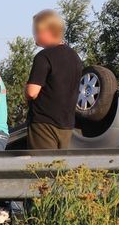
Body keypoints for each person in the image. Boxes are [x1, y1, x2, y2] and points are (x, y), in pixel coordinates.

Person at [25, 9, 83, 150]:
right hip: (67, 124)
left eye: (36, 32)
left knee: (42, 169)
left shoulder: (43, 57)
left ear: (47, 31)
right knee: (60, 170)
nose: (35, 36)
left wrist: (25, 90)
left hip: (43, 123)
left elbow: (32, 92)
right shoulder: (75, 56)